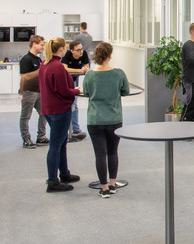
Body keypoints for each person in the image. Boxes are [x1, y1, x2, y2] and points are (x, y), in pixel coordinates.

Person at [83, 42, 130, 199]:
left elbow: (86, 93)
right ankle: (112, 183)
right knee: (112, 152)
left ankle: (103, 188)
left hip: (95, 120)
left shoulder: (89, 75)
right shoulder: (119, 74)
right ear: (110, 55)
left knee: (100, 154)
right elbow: (126, 91)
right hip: (114, 119)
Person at [39, 37, 82, 193]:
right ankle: (52, 181)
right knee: (56, 146)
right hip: (59, 110)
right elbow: (63, 91)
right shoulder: (57, 66)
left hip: (49, 109)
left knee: (61, 142)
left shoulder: (44, 64)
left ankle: (64, 173)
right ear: (61, 49)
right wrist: (77, 90)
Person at [18, 34, 48, 149]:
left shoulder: (38, 59)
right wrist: (39, 71)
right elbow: (24, 76)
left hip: (39, 91)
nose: (43, 47)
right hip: (29, 91)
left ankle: (41, 137)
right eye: (41, 45)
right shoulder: (26, 59)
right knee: (25, 116)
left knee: (44, 113)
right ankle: (26, 139)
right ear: (34, 44)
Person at [61, 39, 89, 142]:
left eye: (81, 49)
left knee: (74, 104)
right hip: (64, 80)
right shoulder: (67, 55)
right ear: (72, 51)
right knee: (68, 104)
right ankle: (66, 130)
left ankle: (75, 129)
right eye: (78, 50)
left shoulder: (84, 54)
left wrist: (81, 70)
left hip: (74, 79)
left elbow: (86, 68)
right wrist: (79, 70)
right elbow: (64, 69)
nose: (81, 52)